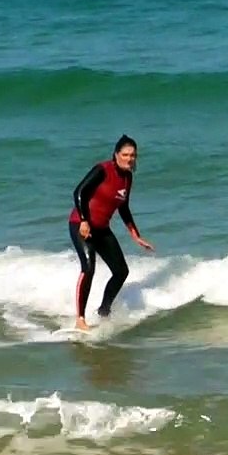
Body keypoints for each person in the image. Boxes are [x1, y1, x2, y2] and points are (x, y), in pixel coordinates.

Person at [67, 134, 154, 331]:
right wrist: (84, 220)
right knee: (89, 268)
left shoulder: (127, 178)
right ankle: (80, 319)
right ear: (116, 155)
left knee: (121, 271)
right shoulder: (102, 170)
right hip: (80, 225)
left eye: (133, 155)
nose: (129, 159)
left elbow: (123, 208)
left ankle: (104, 311)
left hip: (101, 229)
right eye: (125, 154)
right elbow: (79, 192)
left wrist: (135, 235)